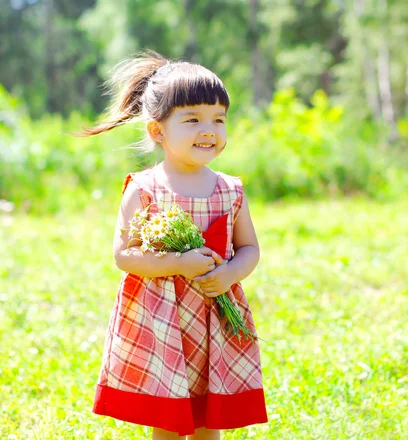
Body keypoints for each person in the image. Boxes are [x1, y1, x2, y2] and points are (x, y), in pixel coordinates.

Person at [76, 49, 268, 440]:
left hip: (214, 316)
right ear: (157, 131)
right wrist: (178, 262)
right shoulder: (145, 189)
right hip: (161, 320)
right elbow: (124, 254)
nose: (209, 130)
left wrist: (230, 273)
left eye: (218, 119)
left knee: (208, 417)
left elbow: (249, 247)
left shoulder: (230, 190)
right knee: (168, 419)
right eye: (193, 119)